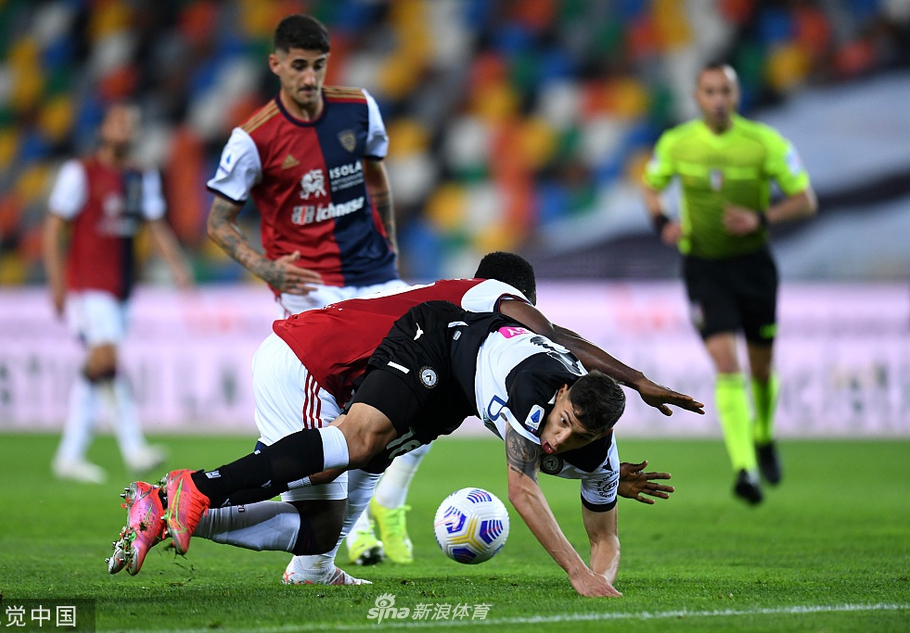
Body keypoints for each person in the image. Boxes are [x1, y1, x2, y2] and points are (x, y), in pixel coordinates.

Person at [107, 256, 703, 594]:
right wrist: (638, 380)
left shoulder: (486, 352)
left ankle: (178, 512)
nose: (529, 320)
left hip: (362, 374)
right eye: (526, 308)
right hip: (320, 364)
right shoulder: (493, 301)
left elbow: (549, 433)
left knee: (332, 514)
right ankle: (193, 490)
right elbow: (554, 340)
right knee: (351, 448)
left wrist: (591, 469)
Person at [203, 13, 423, 567]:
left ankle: (383, 508)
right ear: (276, 64)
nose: (309, 78)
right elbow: (218, 222)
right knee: (334, 429)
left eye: (318, 66)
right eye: (298, 66)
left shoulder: (358, 108)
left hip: (375, 275)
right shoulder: (252, 139)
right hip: (309, 287)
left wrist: (389, 242)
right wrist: (266, 268)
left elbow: (376, 177)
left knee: (426, 384)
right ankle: (339, 538)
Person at [641, 63, 818, 504]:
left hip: (753, 267)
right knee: (727, 366)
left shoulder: (763, 143)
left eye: (726, 91)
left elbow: (805, 201)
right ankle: (745, 469)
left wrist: (761, 218)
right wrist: (662, 221)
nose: (718, 99)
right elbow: (650, 185)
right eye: (710, 91)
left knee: (761, 370)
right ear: (697, 97)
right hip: (704, 269)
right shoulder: (677, 143)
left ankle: (764, 434)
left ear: (736, 97)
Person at [42, 102, 193, 484]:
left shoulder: (141, 176)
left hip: (122, 286)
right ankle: (133, 447)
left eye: (130, 124)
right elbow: (53, 228)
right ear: (103, 129)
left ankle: (69, 455)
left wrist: (178, 266)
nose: (124, 129)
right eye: (117, 123)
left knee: (99, 365)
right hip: (87, 283)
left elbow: (155, 224)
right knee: (106, 358)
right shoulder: (80, 173)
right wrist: (56, 283)